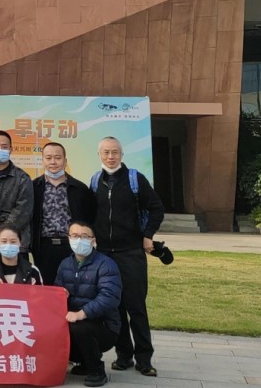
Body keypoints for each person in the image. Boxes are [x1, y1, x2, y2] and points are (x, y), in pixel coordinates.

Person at [92, 136, 166, 378]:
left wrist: (148, 235)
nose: (110, 156)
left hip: (131, 253)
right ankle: (124, 355)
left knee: (136, 307)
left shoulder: (135, 179)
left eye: (115, 152)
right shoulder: (95, 181)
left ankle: (144, 359)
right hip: (104, 255)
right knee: (115, 307)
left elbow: (156, 208)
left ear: (122, 154)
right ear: (99, 154)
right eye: (106, 152)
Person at [55, 220, 122, 388]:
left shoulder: (106, 264)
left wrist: (81, 313)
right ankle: (83, 362)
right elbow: (56, 295)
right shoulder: (65, 264)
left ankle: (96, 370)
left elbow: (109, 297)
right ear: (68, 238)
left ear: (93, 241)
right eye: (75, 236)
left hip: (104, 326)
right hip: (74, 322)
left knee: (79, 328)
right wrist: (61, 296)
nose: (79, 240)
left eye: (84, 236)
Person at [31, 141, 97, 286]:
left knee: (74, 286)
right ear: (42, 161)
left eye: (58, 157)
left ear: (65, 161)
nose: (53, 162)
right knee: (46, 288)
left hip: (72, 245)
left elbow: (90, 217)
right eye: (48, 158)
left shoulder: (80, 188)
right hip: (44, 247)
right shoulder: (33, 187)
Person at [0, 129, 33, 265]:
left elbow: (23, 210)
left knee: (19, 278)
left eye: (4, 147)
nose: (0, 150)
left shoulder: (23, 178)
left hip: (16, 243)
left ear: (11, 149)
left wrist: (1, 231)